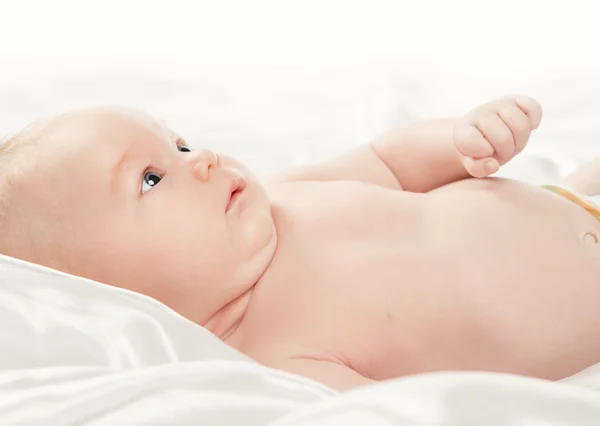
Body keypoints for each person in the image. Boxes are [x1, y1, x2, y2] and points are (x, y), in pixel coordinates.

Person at [1, 96, 600, 391]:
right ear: (108, 289)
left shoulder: (285, 194)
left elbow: (386, 161)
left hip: (565, 197)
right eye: (151, 179)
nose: (202, 159)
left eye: (180, 145)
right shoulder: (273, 355)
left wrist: (460, 140)